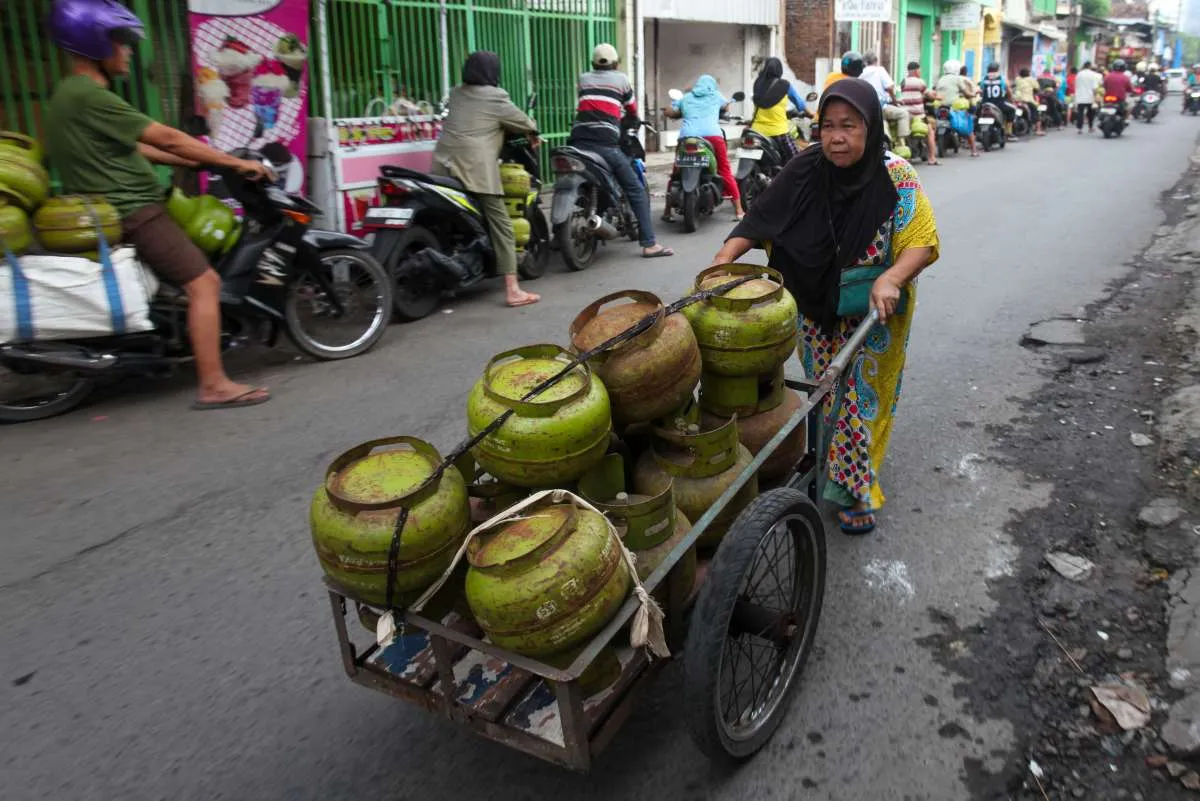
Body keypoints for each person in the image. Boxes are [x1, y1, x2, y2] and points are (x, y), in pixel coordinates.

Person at [709, 79, 938, 535]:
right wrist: (721, 262)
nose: (836, 137)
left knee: (858, 398)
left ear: (870, 128)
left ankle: (857, 488)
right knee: (827, 392)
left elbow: (923, 243)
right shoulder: (805, 167)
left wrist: (892, 278)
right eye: (828, 126)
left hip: (875, 306)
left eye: (849, 126)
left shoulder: (898, 175)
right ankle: (841, 466)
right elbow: (761, 218)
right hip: (811, 303)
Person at [46, 0, 273, 411]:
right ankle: (214, 385)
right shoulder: (91, 96)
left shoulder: (68, 95)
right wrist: (236, 162)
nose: (129, 51)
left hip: (116, 205)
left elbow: (136, 149)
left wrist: (195, 159)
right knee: (204, 284)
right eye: (124, 42)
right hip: (135, 211)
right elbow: (165, 137)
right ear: (99, 43)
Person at [431, 52, 540, 308]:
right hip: (474, 169)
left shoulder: (457, 93)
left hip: (442, 165)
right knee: (501, 224)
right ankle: (513, 290)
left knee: (445, 221)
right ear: (493, 73)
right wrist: (533, 132)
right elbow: (523, 121)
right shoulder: (495, 97)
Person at [569, 43, 672, 258]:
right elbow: (631, 110)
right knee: (635, 190)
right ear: (616, 63)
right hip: (605, 143)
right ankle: (649, 244)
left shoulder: (583, 79)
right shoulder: (622, 80)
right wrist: (629, 120)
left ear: (592, 63)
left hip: (577, 141)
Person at [662, 75, 744, 221]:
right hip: (713, 137)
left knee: (676, 172)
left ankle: (667, 211)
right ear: (712, 86)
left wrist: (674, 110)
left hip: (687, 137)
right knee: (725, 171)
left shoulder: (686, 98)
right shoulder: (716, 96)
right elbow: (726, 106)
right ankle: (739, 210)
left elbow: (670, 111)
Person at [749, 56, 806, 163]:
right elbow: (800, 104)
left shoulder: (757, 83)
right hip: (778, 132)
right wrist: (811, 114)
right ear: (779, 70)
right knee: (796, 162)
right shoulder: (785, 85)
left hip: (756, 131)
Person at [861, 52, 911, 147]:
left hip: (866, 110)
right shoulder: (879, 70)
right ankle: (901, 142)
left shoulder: (861, 73)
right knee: (903, 114)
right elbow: (890, 87)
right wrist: (895, 101)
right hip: (881, 108)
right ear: (876, 60)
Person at [934, 60, 980, 157]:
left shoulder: (941, 79)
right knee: (968, 126)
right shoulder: (957, 79)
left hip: (940, 106)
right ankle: (974, 150)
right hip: (953, 107)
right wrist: (973, 94)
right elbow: (966, 92)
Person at [899, 61, 940, 163]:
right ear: (916, 70)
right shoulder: (920, 82)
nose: (920, 72)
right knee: (930, 132)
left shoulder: (903, 81)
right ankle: (932, 158)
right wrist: (936, 96)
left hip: (905, 113)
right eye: (919, 70)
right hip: (918, 115)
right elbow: (929, 95)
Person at [979, 62, 1016, 140]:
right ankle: (1008, 132)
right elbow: (1008, 91)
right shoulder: (1002, 78)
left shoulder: (984, 78)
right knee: (1012, 110)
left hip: (985, 103)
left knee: (976, 114)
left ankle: (975, 132)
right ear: (997, 69)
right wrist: (1011, 99)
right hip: (999, 104)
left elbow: (982, 92)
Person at [1014, 68, 1044, 135]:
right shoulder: (1031, 79)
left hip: (1017, 99)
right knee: (1036, 113)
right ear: (1028, 74)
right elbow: (1037, 87)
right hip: (1028, 100)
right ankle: (1038, 130)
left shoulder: (1017, 79)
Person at [1074, 61, 1102, 133]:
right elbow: (1095, 87)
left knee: (1080, 113)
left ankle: (1079, 129)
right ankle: (1090, 127)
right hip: (1090, 97)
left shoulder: (1079, 74)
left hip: (1080, 96)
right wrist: (1096, 96)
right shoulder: (1093, 75)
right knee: (1090, 113)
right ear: (1090, 66)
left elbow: (1076, 85)